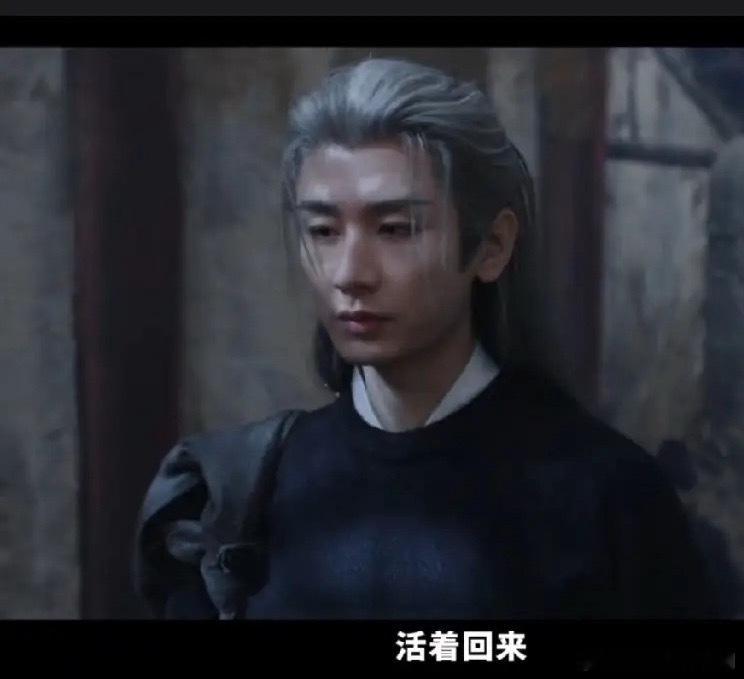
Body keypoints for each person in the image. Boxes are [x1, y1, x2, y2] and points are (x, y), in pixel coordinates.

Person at [135, 58, 719, 620]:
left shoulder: (605, 498)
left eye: (395, 229)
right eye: (323, 231)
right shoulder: (244, 493)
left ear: (491, 247)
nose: (350, 274)